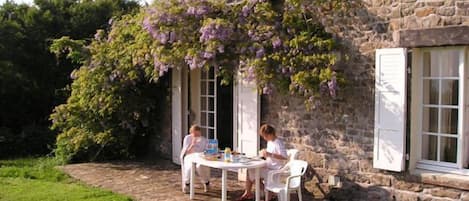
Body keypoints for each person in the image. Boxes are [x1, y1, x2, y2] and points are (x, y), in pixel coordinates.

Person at [237, 124, 288, 201]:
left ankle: (269, 193)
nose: (264, 138)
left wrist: (269, 154)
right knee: (250, 170)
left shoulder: (278, 142)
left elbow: (284, 156)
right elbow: (269, 155)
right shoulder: (270, 142)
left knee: (255, 174)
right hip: (268, 166)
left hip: (274, 169)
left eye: (265, 136)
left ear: (270, 134)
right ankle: (248, 193)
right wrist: (263, 154)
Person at [180, 125, 211, 194]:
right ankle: (187, 184)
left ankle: (206, 182)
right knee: (190, 167)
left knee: (200, 166)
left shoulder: (204, 139)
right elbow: (186, 152)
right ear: (191, 133)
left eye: (198, 134)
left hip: (200, 157)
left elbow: (207, 151)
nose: (197, 135)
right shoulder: (187, 138)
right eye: (195, 134)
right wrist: (192, 144)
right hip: (189, 156)